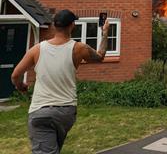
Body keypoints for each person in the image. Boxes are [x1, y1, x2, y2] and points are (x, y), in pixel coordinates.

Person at [11, 10, 109, 154]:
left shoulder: (37, 49)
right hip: (66, 113)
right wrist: (105, 33)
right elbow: (100, 56)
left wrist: (21, 86)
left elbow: (15, 75)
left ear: (54, 26)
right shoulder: (79, 48)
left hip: (40, 112)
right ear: (72, 25)